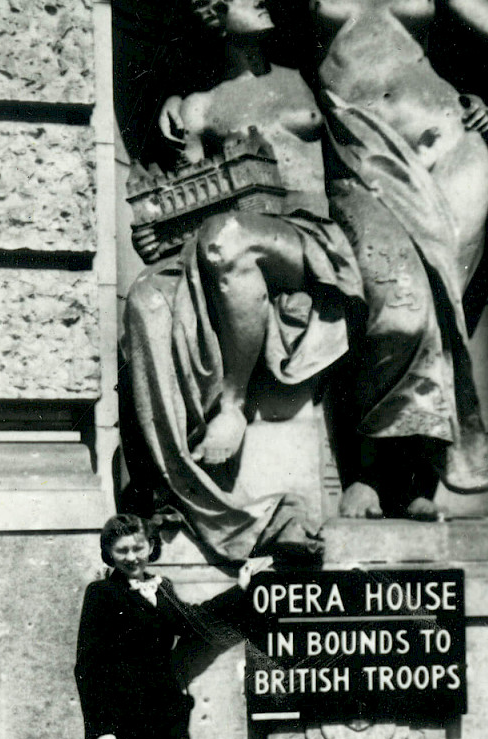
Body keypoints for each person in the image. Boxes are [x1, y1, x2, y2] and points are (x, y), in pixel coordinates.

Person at [123, 0, 363, 565]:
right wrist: (155, 241)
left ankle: (229, 405)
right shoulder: (199, 107)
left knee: (228, 237)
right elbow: (192, 198)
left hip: (308, 236)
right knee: (145, 301)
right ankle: (195, 499)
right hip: (229, 238)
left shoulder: (311, 74)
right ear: (208, 13)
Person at [307, 0, 488, 519]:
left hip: (448, 147)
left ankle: (416, 483)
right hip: (362, 154)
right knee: (396, 310)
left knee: (441, 314)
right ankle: (364, 471)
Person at [68, 514, 270, 739]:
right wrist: (102, 730)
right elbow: (89, 667)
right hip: (126, 721)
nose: (131, 557)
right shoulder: (101, 594)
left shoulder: (162, 587)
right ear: (109, 554)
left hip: (166, 716)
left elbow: (194, 621)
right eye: (121, 550)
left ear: (151, 547)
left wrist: (241, 589)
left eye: (137, 548)